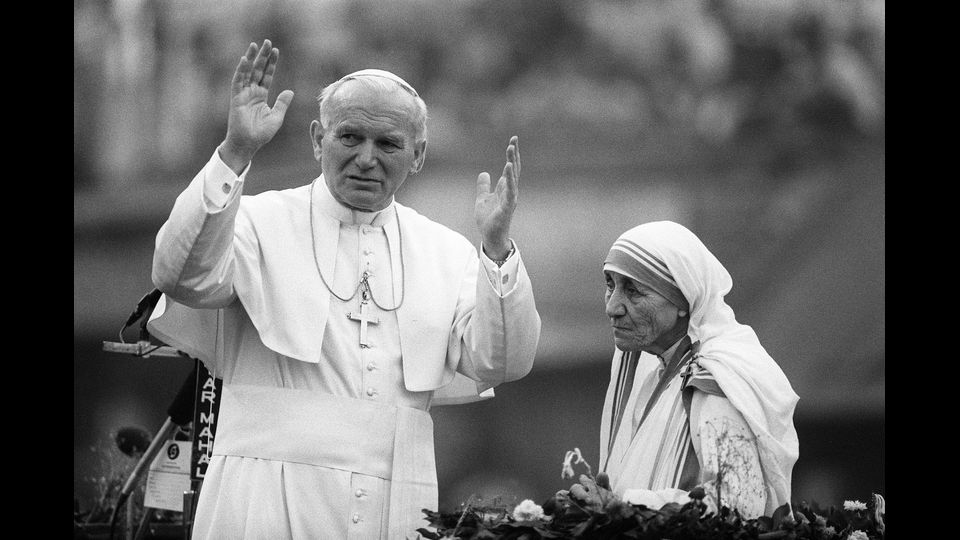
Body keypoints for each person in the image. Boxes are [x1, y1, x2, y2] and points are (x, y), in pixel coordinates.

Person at [146, 39, 541, 539]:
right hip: (264, 498)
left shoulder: (448, 252)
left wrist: (497, 249)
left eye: (389, 144)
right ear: (317, 140)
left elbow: (503, 362)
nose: (366, 159)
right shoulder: (256, 221)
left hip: (396, 505)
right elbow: (179, 275)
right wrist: (235, 152)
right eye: (349, 137)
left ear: (418, 155)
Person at [597, 221, 798, 518]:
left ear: (683, 299)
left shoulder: (719, 379)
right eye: (610, 285)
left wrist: (621, 508)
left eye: (634, 291)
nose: (612, 307)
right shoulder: (653, 372)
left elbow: (737, 509)